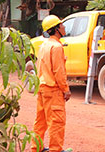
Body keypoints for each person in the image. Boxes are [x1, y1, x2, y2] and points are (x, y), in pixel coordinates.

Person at [31, 15, 71, 152]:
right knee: (56, 122)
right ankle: (56, 149)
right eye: (61, 25)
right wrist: (65, 89)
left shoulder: (43, 46)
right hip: (53, 90)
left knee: (40, 122)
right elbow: (59, 71)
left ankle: (36, 148)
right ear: (56, 29)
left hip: (42, 88)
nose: (64, 27)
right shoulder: (57, 47)